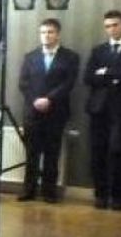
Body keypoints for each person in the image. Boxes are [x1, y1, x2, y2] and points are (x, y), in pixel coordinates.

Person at [83, 10, 121, 210]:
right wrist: (116, 76)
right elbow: (88, 77)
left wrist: (106, 73)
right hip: (99, 108)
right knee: (98, 152)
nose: (111, 29)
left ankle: (118, 196)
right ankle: (100, 195)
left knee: (119, 153)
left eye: (115, 25)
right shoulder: (99, 50)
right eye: (108, 26)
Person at [17, 18, 80, 203]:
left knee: (52, 154)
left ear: (58, 34)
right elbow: (23, 83)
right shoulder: (30, 56)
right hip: (32, 112)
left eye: (50, 32)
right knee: (32, 153)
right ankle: (28, 190)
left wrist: (49, 99)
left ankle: (49, 192)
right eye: (43, 32)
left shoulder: (70, 57)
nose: (46, 35)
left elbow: (68, 83)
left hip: (56, 111)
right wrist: (35, 100)